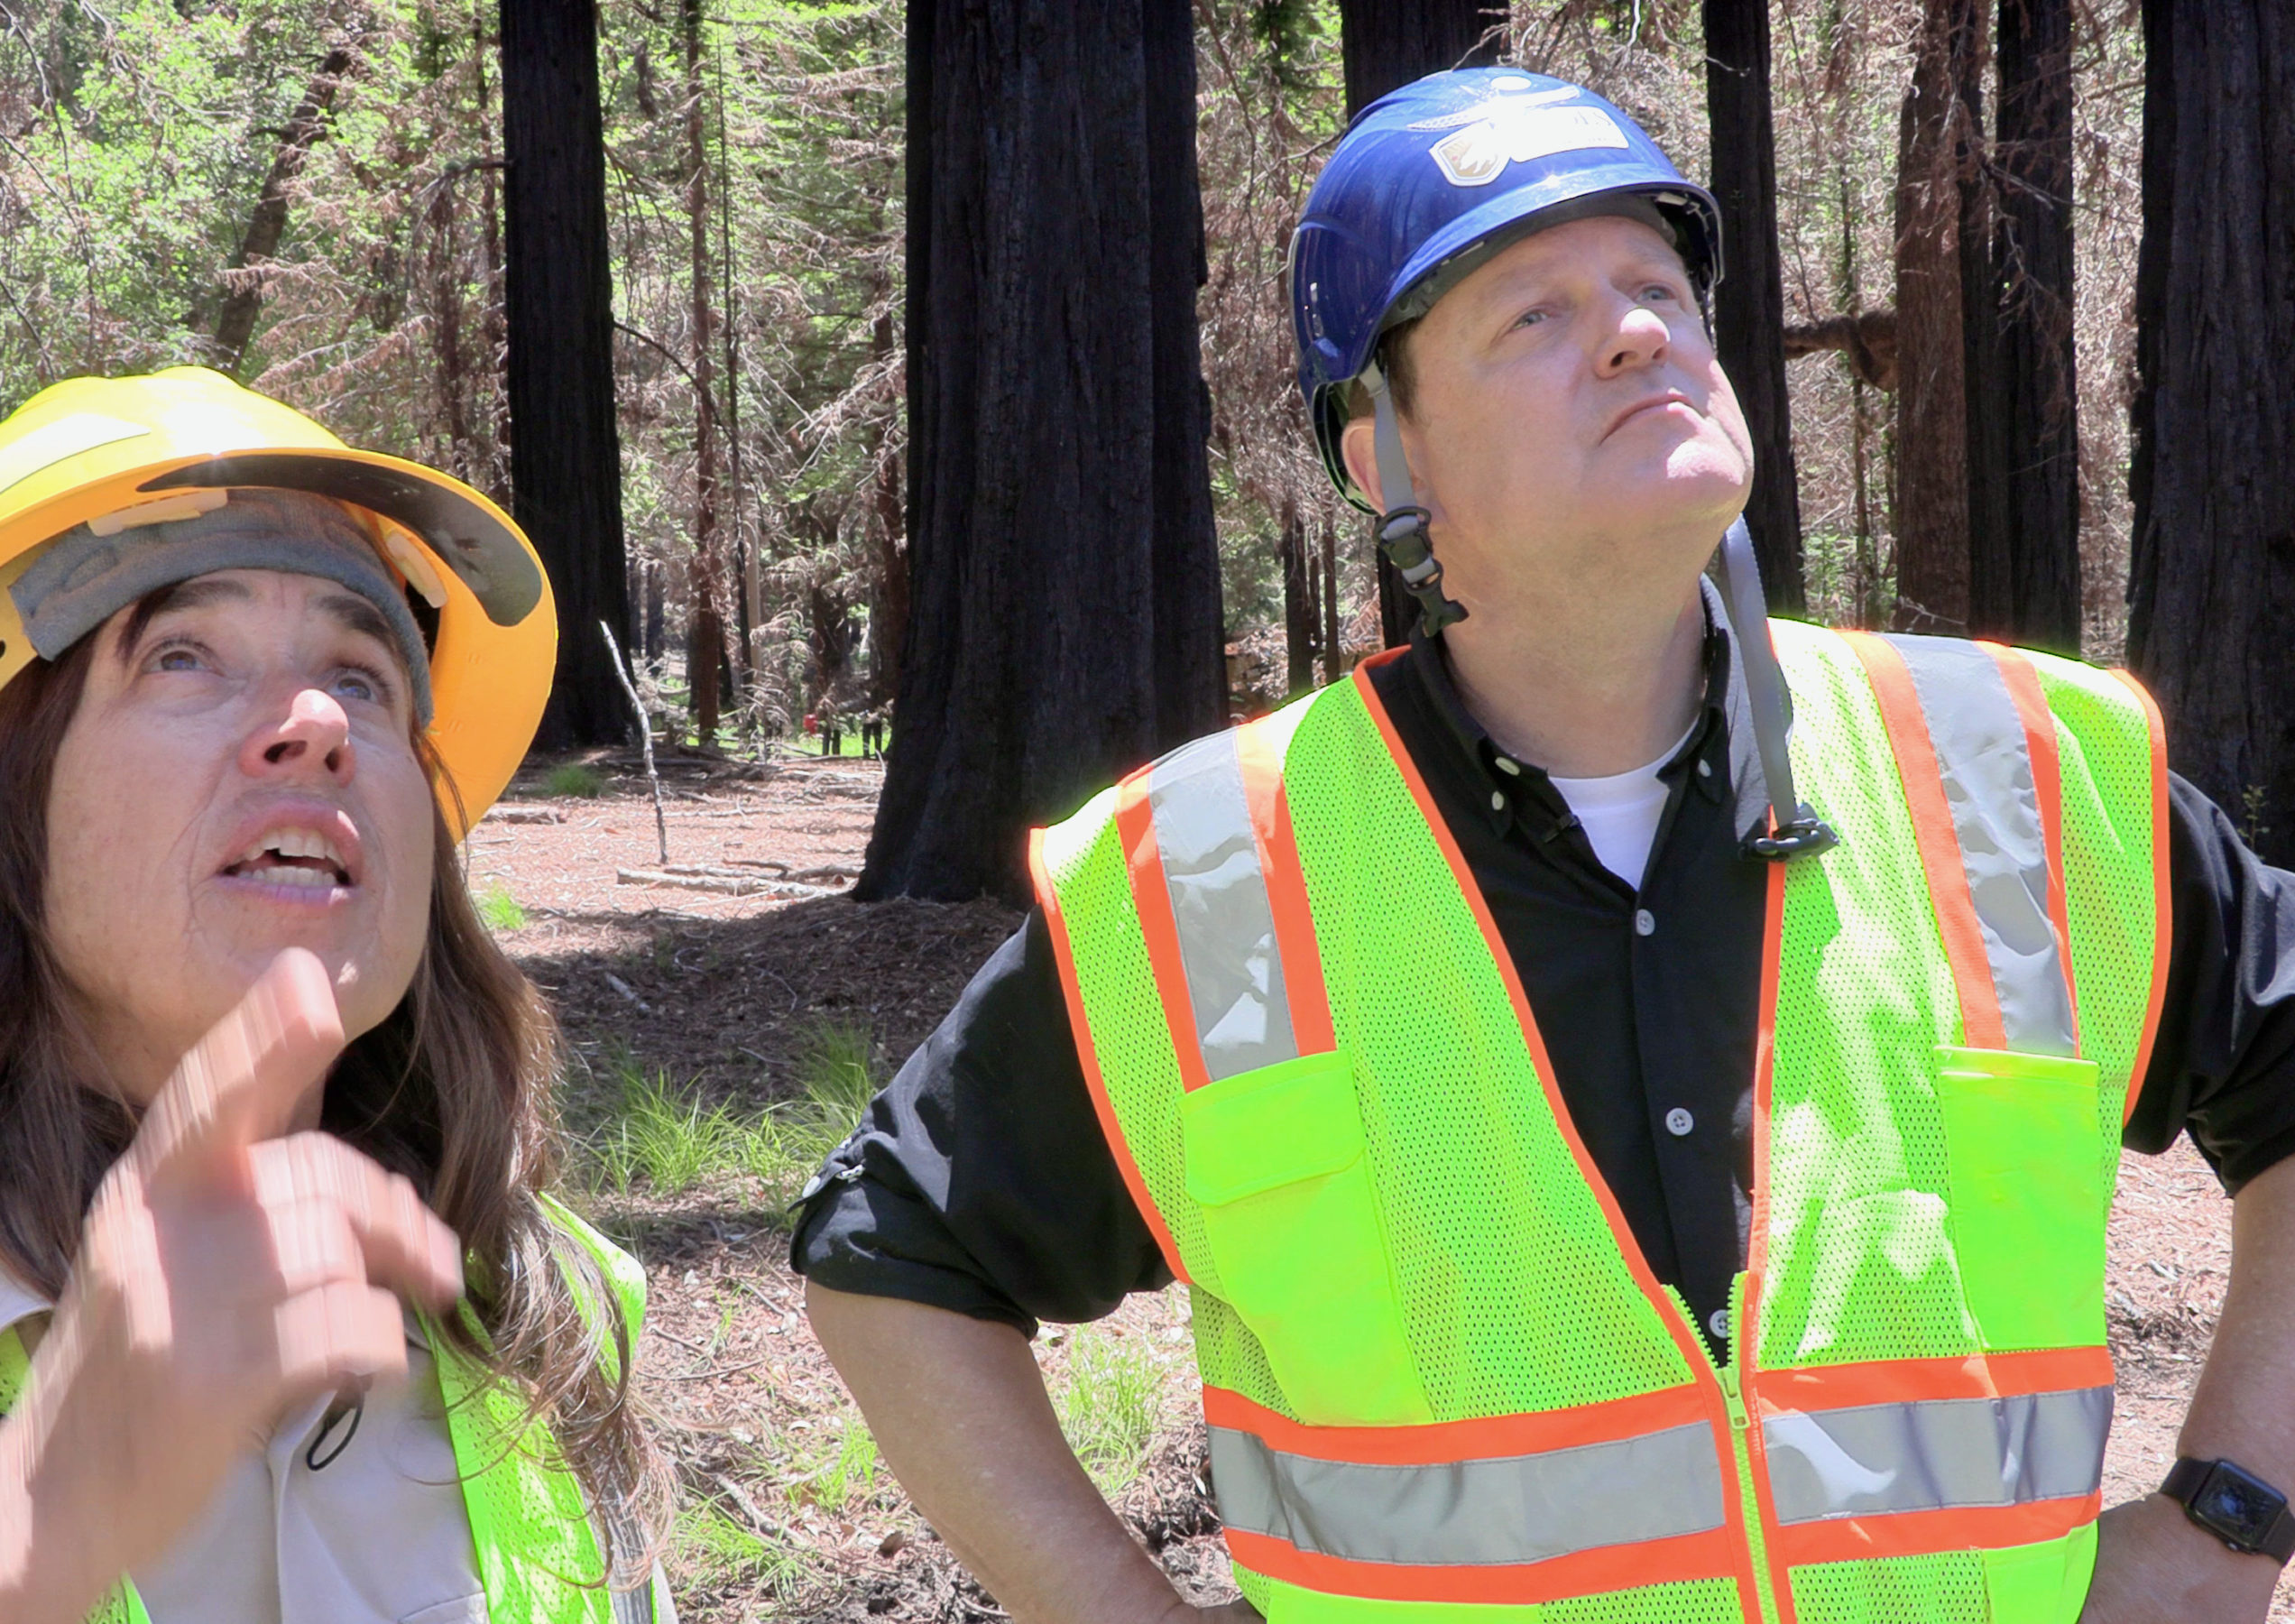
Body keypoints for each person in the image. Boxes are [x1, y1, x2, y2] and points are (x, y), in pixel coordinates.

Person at [793, 68, 2295, 1624]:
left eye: (1658, 285)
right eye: (1533, 314)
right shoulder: (1206, 876)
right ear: (1386, 461)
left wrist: (2228, 1524)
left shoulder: (2017, 771)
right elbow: (891, 1259)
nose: (1638, 331)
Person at [0, 367, 674, 1623]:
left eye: (363, 675)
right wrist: (33, 1531)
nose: (316, 721)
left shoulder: (550, 1314)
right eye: (182, 656)